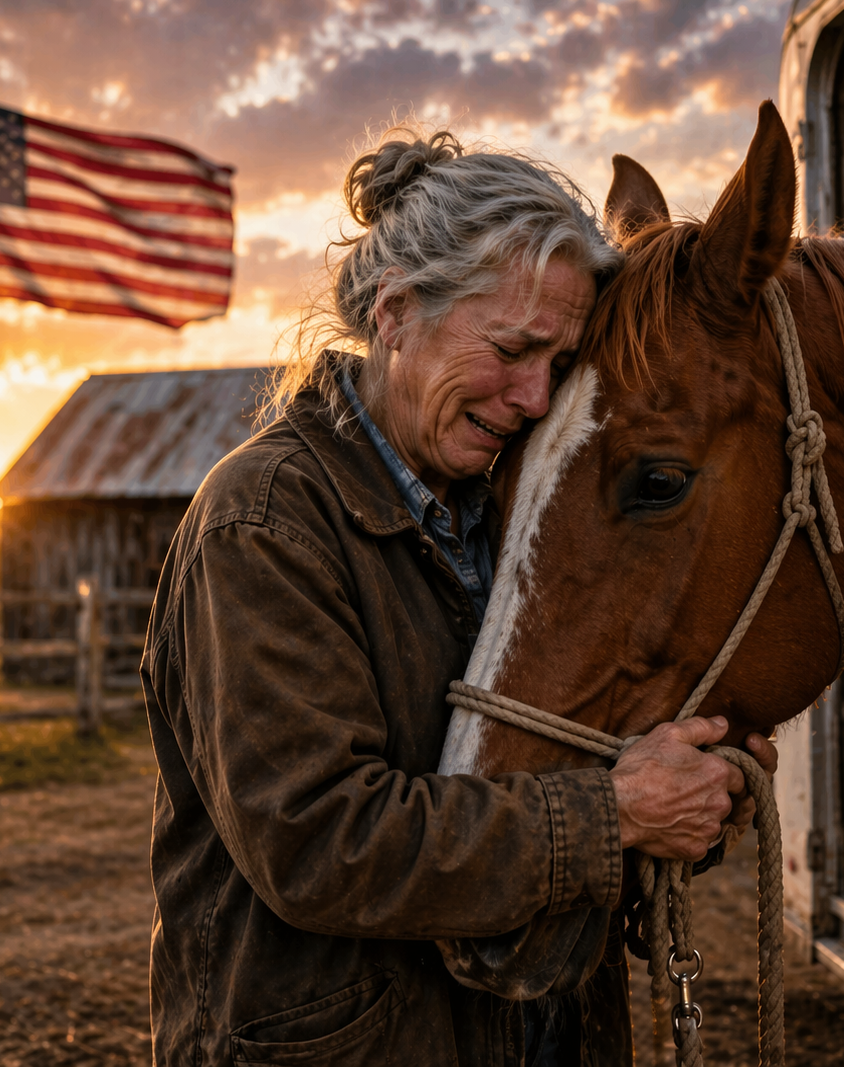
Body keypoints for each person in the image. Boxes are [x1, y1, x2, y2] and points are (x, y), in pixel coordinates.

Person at [140, 130, 778, 1066]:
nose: (532, 397)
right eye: (513, 350)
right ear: (396, 313)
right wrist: (618, 815)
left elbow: (562, 757)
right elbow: (319, 843)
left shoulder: (522, 499)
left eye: (559, 367)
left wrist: (685, 790)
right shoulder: (265, 523)